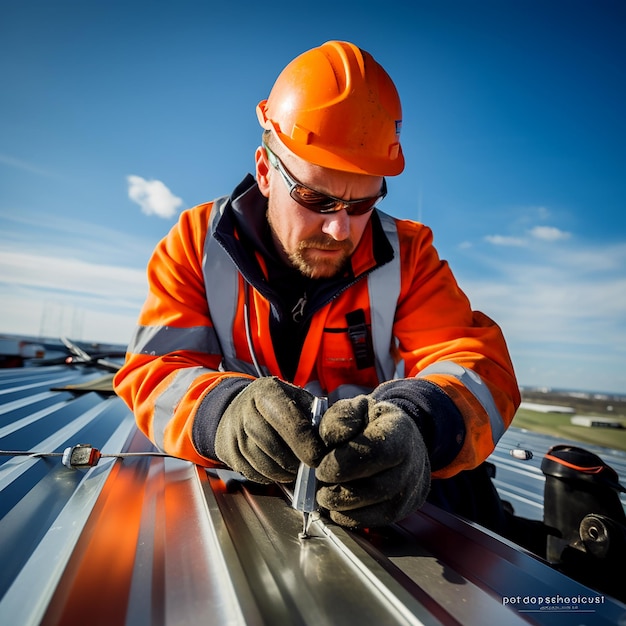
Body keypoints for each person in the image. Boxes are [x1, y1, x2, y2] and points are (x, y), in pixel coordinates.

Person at [113, 40, 520, 530]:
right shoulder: (197, 245)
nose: (341, 230)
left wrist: (418, 422)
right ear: (265, 172)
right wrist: (224, 415)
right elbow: (157, 372)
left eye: (363, 204)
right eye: (315, 198)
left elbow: (477, 368)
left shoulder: (410, 255)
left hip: (383, 495)